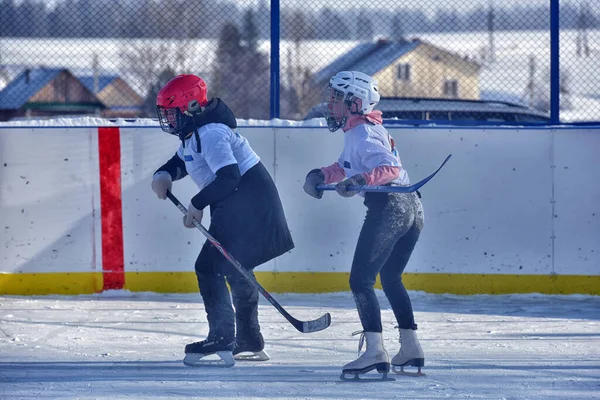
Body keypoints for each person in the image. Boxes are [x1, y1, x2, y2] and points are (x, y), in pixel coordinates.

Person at [151, 74, 294, 367]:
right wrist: (164, 175)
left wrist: (197, 203)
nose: (168, 119)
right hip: (240, 205)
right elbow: (181, 162)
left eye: (172, 112)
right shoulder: (194, 134)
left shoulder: (212, 133)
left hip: (249, 205)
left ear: (190, 107)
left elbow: (229, 176)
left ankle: (222, 337)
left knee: (210, 267)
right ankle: (249, 339)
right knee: (235, 268)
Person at [303, 71, 425, 379]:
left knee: (360, 281)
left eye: (336, 100)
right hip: (412, 207)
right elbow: (346, 166)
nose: (329, 105)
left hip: (391, 207)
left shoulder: (363, 133)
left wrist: (359, 181)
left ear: (356, 103)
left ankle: (374, 352)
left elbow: (390, 168)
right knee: (391, 278)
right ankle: (410, 348)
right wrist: (321, 175)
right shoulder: (360, 131)